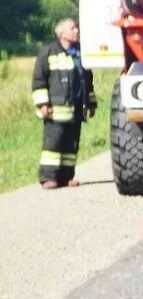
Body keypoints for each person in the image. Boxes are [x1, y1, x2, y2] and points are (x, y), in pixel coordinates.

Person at [32, 18, 96, 189]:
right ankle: (48, 178)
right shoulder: (48, 53)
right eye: (72, 28)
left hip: (76, 108)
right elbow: (39, 80)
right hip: (56, 110)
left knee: (71, 145)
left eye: (76, 27)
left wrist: (90, 102)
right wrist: (43, 103)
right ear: (61, 33)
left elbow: (88, 80)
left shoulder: (81, 53)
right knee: (53, 144)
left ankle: (67, 177)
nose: (77, 30)